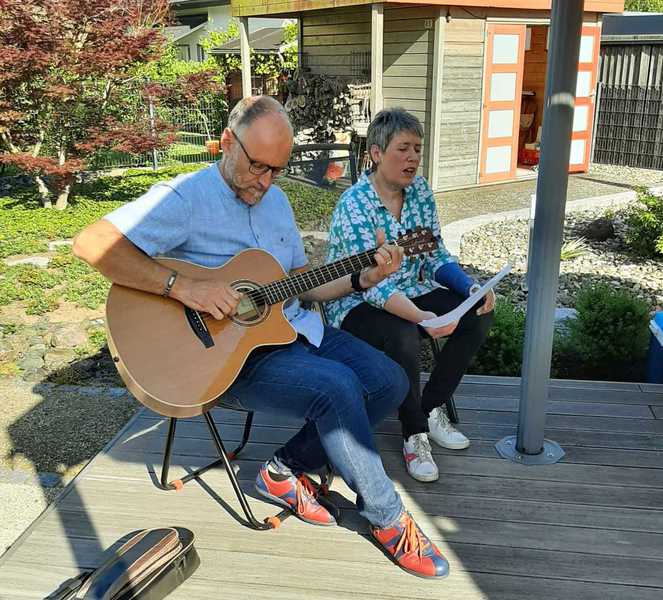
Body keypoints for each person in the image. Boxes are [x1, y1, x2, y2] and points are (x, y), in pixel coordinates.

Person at [73, 96, 449, 579]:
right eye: (257, 166)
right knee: (337, 387)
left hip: (291, 329)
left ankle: (282, 471)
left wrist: (363, 278)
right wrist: (184, 287)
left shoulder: (276, 200)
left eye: (277, 169)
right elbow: (92, 243)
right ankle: (388, 519)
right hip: (224, 359)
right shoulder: (186, 198)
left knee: (390, 381)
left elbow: (301, 282)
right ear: (227, 142)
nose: (266, 182)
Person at [325, 108, 495, 483]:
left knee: (478, 312)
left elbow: (434, 254)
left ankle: (430, 407)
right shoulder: (354, 205)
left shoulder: (420, 192)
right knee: (403, 332)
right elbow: (373, 286)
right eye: (403, 149)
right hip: (355, 304)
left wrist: (469, 287)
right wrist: (421, 318)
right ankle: (414, 433)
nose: (413, 158)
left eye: (417, 149)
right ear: (376, 153)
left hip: (410, 290)